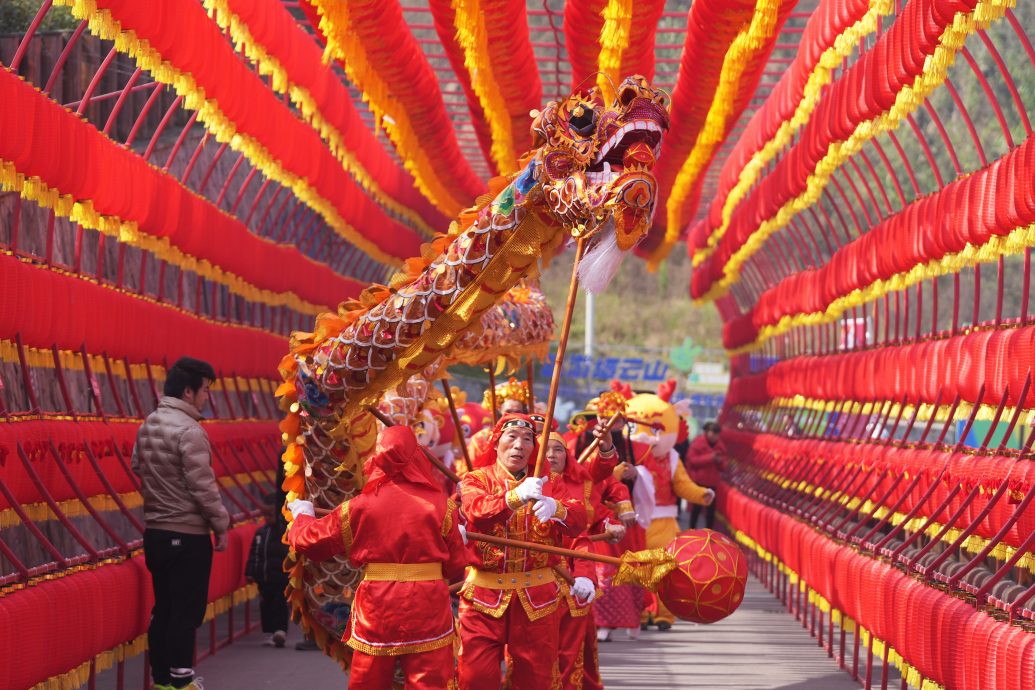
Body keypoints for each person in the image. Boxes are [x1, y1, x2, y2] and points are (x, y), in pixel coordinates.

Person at [286, 426, 467, 689]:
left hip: (378, 607)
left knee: (369, 682)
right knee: (429, 683)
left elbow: (311, 542)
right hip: (428, 605)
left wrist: (302, 516)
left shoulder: (360, 506)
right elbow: (455, 564)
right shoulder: (442, 505)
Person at [457, 415, 587, 690]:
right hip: (483, 596)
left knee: (536, 680)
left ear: (534, 447)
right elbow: (476, 511)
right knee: (474, 677)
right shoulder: (475, 479)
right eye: (512, 437)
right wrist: (514, 497)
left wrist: (557, 508)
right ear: (496, 442)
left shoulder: (550, 482)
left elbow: (579, 520)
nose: (519, 445)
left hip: (536, 597)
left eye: (527, 439)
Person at [132, 356, 229, 690]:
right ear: (188, 392)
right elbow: (203, 488)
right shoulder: (191, 432)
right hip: (187, 536)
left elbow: (137, 466)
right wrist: (221, 524)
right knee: (187, 610)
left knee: (164, 608)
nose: (207, 398)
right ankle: (182, 679)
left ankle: (161, 680)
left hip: (155, 532)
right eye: (205, 390)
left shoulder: (148, 425)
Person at [246, 493, 289, 648]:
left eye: (270, 514)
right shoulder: (261, 533)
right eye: (264, 514)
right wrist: (250, 571)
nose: (266, 517)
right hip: (263, 577)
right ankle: (268, 632)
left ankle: (280, 630)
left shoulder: (283, 532)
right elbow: (254, 554)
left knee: (280, 603)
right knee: (265, 605)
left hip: (281, 576)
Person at [685, 422, 726, 530]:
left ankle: (709, 534)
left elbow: (724, 466)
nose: (714, 436)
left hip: (712, 483)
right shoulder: (698, 443)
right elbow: (692, 460)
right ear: (707, 432)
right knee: (696, 509)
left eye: (716, 434)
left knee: (710, 511)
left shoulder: (720, 447)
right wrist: (710, 457)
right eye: (712, 433)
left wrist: (719, 461)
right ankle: (691, 531)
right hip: (699, 481)